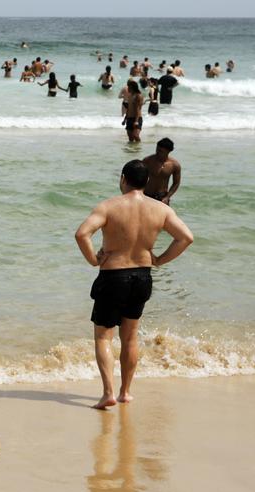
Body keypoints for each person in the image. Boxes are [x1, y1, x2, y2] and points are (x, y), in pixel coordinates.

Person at [74, 160, 194, 409]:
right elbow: (186, 237)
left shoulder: (108, 206)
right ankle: (125, 391)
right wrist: (159, 260)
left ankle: (107, 392)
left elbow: (82, 233)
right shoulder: (160, 209)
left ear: (122, 179)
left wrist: (93, 260)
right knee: (130, 338)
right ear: (147, 182)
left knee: (103, 338)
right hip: (142, 276)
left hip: (113, 277)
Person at [141, 138, 181, 204]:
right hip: (147, 195)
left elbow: (176, 183)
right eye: (157, 149)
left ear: (168, 151)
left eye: (161, 151)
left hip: (162, 197)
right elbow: (138, 176)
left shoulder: (174, 165)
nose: (157, 152)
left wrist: (167, 197)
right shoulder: (148, 160)